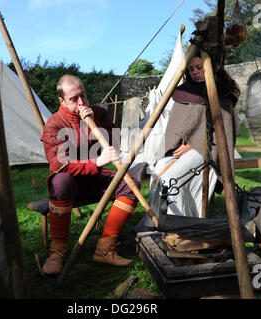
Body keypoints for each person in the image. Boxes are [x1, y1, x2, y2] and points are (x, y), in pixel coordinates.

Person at [40, 75, 141, 275]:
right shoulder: (54, 125)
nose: (81, 103)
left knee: (131, 185)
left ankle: (105, 249)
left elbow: (116, 143)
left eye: (83, 96)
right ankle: (57, 252)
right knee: (61, 181)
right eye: (73, 99)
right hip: (69, 185)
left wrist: (95, 124)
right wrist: (96, 162)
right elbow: (59, 165)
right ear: (62, 101)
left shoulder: (99, 113)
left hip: (94, 180)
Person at [135, 54, 240, 231]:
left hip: (210, 149)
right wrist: (180, 145)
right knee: (158, 171)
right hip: (184, 147)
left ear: (211, 67)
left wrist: (192, 145)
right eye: (191, 69)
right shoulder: (186, 91)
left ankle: (182, 226)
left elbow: (224, 131)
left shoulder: (221, 92)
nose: (195, 72)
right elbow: (180, 126)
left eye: (199, 67)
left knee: (172, 179)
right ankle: (156, 221)